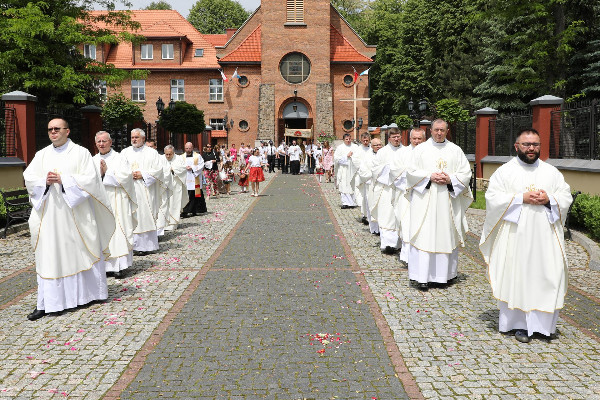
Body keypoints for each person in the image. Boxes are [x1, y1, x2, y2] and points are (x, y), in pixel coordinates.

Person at [480, 128, 572, 343]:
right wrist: (521, 197)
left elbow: (565, 196)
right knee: (518, 276)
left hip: (545, 237)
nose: (531, 148)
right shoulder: (505, 171)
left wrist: (549, 198)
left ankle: (543, 327)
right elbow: (493, 198)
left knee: (547, 276)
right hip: (516, 237)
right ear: (517, 146)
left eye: (535, 145)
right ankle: (518, 325)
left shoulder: (551, 172)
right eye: (527, 144)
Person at [23, 118, 115, 321]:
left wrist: (64, 180)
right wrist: (43, 181)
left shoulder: (80, 153)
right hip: (49, 215)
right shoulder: (42, 154)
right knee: (50, 257)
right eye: (50, 129)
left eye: (57, 129)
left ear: (67, 131)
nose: (53, 132)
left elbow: (91, 180)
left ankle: (86, 295)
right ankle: (48, 302)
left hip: (75, 215)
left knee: (77, 253)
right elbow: (29, 177)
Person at [405, 119, 473, 291]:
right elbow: (411, 172)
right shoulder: (420, 150)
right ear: (430, 130)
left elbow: (465, 173)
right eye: (436, 130)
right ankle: (422, 277)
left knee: (445, 235)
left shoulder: (455, 151)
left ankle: (444, 276)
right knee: (424, 235)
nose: (439, 133)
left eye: (442, 130)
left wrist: (451, 179)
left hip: (446, 202)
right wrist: (429, 176)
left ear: (447, 130)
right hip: (425, 201)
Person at [93, 131, 138, 278]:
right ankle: (103, 266)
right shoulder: (92, 160)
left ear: (110, 142)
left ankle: (118, 266)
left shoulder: (120, 158)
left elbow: (126, 178)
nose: (101, 144)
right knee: (101, 232)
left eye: (104, 141)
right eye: (99, 141)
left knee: (117, 231)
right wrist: (99, 175)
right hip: (99, 203)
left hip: (117, 201)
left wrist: (107, 172)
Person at [121, 128, 165, 253]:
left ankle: (146, 246)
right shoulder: (124, 152)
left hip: (146, 190)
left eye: (136, 137)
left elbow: (158, 170)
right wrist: (129, 175)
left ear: (143, 139)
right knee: (130, 216)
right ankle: (132, 246)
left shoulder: (151, 153)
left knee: (145, 216)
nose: (134, 139)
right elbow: (119, 169)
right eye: (132, 137)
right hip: (130, 189)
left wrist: (143, 174)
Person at [369, 127, 407, 254]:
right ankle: (387, 244)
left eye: (398, 136)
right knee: (387, 216)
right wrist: (390, 170)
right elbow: (375, 169)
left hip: (401, 189)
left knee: (400, 215)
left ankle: (399, 243)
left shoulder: (406, 151)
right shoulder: (382, 152)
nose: (397, 139)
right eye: (394, 137)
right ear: (389, 138)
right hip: (387, 189)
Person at [396, 128, 427, 264]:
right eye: (414, 138)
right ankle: (407, 257)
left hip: (425, 196)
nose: (417, 141)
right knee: (407, 224)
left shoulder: (429, 153)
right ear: (410, 139)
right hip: (407, 195)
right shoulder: (402, 153)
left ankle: (423, 256)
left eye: (419, 138)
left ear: (424, 139)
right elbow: (395, 171)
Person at [146, 140, 172, 237]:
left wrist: (156, 179)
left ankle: (158, 233)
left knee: (160, 209)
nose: (149, 149)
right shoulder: (143, 159)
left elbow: (167, 173)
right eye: (147, 146)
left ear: (155, 147)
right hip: (147, 189)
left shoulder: (161, 158)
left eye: (151, 146)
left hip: (160, 188)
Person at [357, 138, 383, 235]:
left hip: (383, 185)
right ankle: (375, 228)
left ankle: (383, 228)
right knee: (371, 206)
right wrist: (374, 175)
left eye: (380, 144)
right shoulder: (367, 157)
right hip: (371, 185)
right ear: (372, 146)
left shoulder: (385, 154)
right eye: (376, 145)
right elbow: (363, 171)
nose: (379, 147)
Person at [163, 144, 187, 231]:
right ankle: (164, 222)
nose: (168, 156)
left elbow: (183, 169)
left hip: (175, 185)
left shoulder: (179, 158)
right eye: (166, 154)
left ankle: (173, 223)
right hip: (164, 186)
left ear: (173, 153)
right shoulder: (161, 158)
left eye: (170, 154)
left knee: (174, 203)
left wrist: (173, 169)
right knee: (164, 204)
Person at [334, 133, 360, 209]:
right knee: (344, 185)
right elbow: (336, 159)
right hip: (344, 170)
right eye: (346, 139)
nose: (348, 141)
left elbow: (359, 156)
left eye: (349, 139)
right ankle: (345, 202)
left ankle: (353, 202)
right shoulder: (340, 147)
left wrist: (353, 157)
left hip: (353, 169)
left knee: (352, 185)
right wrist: (346, 156)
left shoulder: (355, 147)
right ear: (343, 140)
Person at [180, 142, 206, 217]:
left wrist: (192, 168)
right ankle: (185, 211)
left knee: (195, 195)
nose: (188, 150)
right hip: (186, 177)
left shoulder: (197, 156)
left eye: (189, 148)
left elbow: (201, 165)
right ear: (184, 148)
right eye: (186, 148)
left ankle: (195, 210)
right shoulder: (181, 157)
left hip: (195, 177)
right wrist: (185, 167)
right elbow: (179, 165)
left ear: (192, 148)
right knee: (186, 195)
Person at [355, 132, 372, 224]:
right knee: (363, 196)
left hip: (371, 176)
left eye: (367, 140)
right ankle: (364, 214)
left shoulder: (372, 149)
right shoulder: (358, 150)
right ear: (361, 140)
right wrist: (364, 170)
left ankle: (370, 215)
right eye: (364, 140)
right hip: (362, 176)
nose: (365, 142)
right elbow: (356, 161)